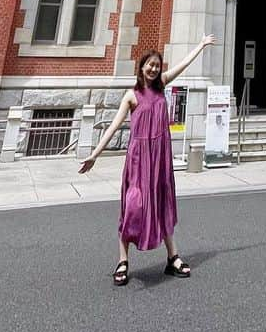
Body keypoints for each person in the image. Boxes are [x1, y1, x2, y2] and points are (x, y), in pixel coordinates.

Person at [79, 35, 216, 286]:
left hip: (160, 158)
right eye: (150, 65)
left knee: (162, 203)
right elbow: (113, 127)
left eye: (157, 65)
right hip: (139, 160)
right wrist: (95, 154)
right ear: (141, 67)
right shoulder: (131, 96)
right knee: (133, 207)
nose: (154, 69)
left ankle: (172, 256)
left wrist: (200, 45)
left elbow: (183, 65)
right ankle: (123, 259)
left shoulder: (162, 84)